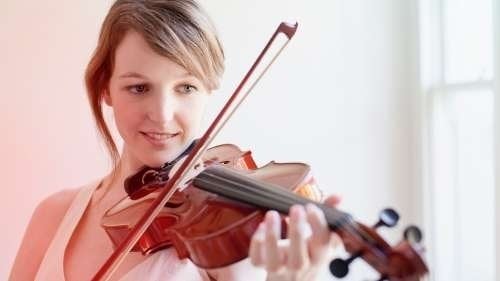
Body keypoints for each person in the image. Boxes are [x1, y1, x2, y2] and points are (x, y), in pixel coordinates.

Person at [9, 0, 340, 280]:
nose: (163, 114)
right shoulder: (54, 215)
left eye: (185, 87)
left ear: (208, 90)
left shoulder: (224, 247)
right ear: (104, 88)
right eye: (138, 88)